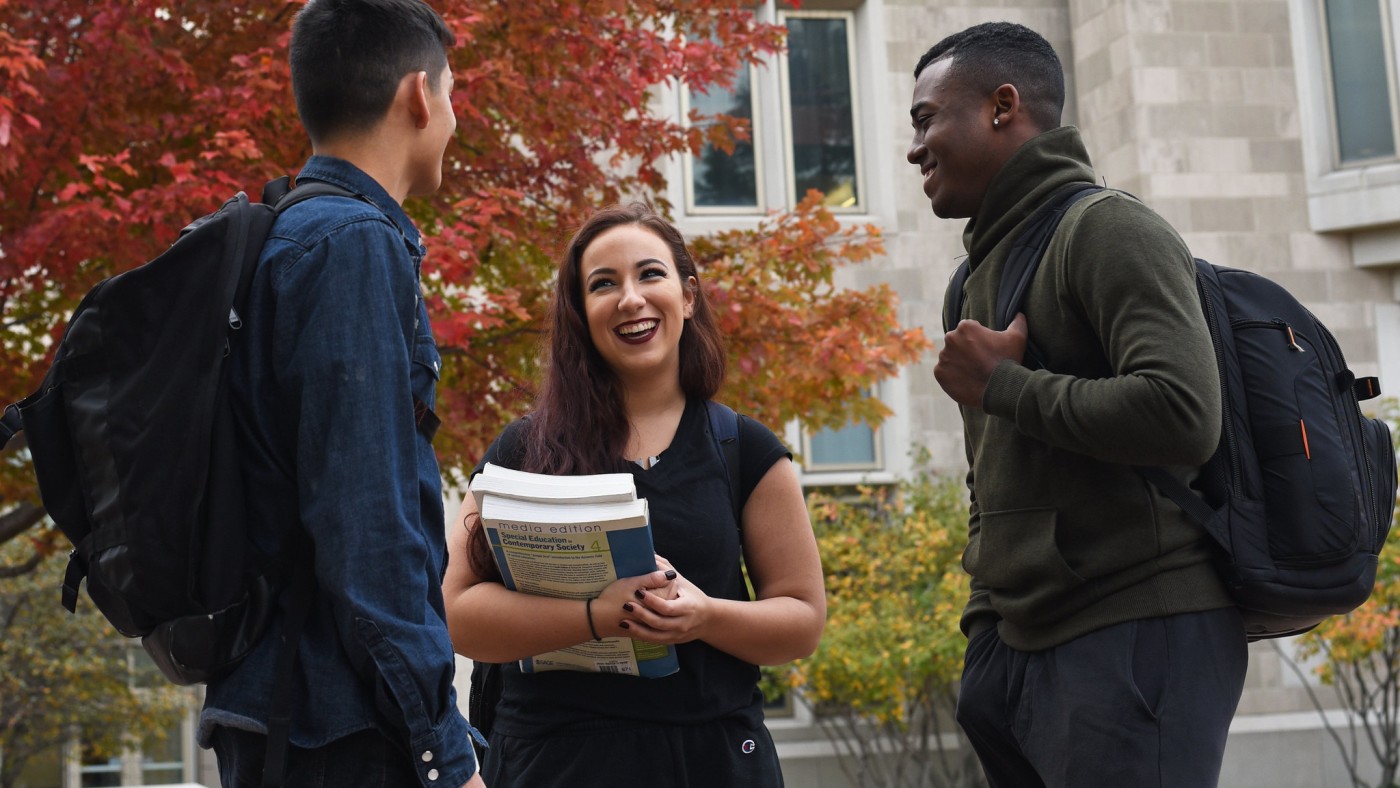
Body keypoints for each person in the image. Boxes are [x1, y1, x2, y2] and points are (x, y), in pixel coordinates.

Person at [909, 21, 1247, 788]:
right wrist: (985, 630)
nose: (914, 147)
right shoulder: (973, 280)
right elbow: (992, 479)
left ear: (1003, 106)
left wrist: (1004, 385)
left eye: (927, 118)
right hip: (1017, 648)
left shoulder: (1108, 229)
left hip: (1137, 628)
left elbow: (1183, 414)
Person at [196, 1, 486, 786]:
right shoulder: (351, 245)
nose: (454, 120)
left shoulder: (285, 232)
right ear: (419, 97)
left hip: (282, 710)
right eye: (454, 95)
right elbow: (369, 530)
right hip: (334, 730)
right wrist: (444, 753)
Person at [442, 203, 826, 787]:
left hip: (713, 762)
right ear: (580, 313)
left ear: (688, 295)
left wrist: (704, 617)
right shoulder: (524, 450)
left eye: (650, 274)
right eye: (603, 284)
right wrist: (602, 615)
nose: (630, 299)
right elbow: (457, 612)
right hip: (556, 762)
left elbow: (802, 620)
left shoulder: (743, 448)